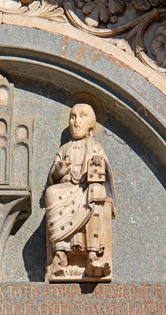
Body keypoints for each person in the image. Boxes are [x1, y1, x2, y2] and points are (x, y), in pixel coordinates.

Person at [45, 104, 116, 279]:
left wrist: (99, 163)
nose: (76, 122)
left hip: (87, 189)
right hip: (67, 188)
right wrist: (59, 172)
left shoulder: (95, 146)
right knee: (52, 193)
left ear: (91, 124)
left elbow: (105, 171)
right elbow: (53, 173)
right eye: (73, 117)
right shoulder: (64, 148)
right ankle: (60, 255)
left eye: (82, 117)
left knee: (96, 191)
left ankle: (92, 254)